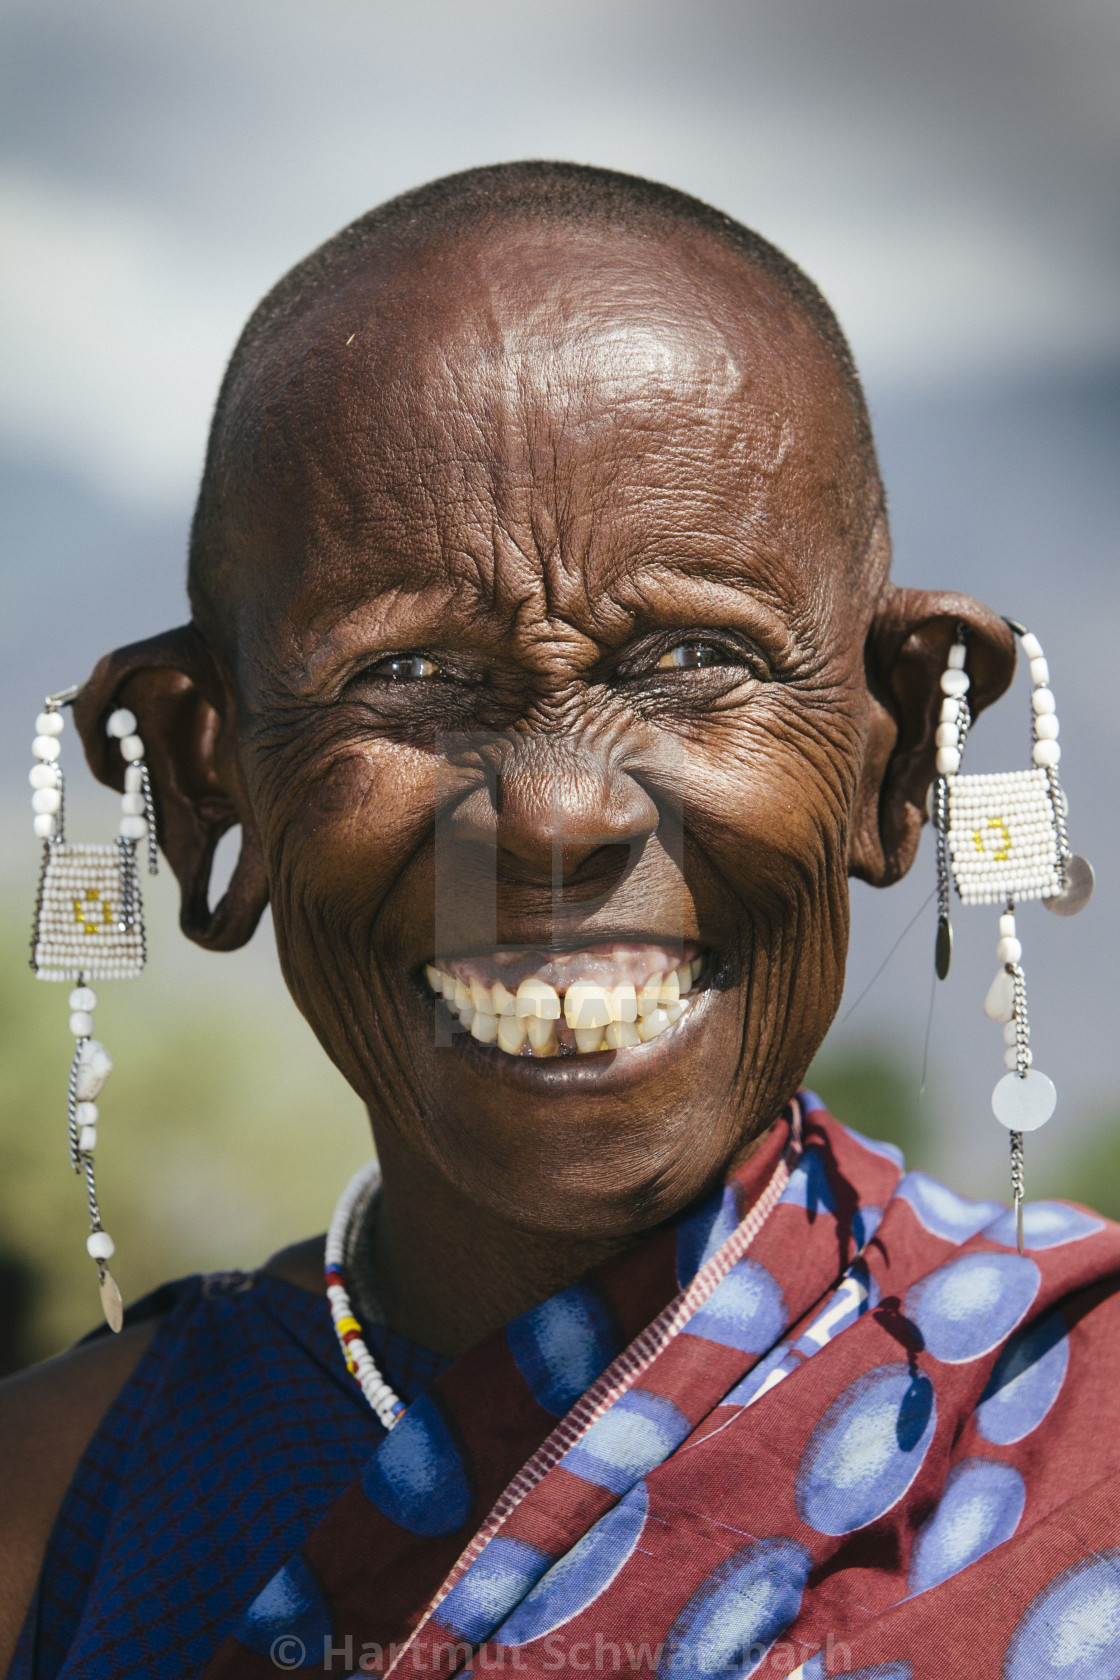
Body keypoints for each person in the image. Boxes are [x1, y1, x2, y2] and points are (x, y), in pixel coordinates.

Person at [1, 161, 1117, 1680]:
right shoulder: (61, 1507)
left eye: (695, 656)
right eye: (409, 677)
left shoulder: (1086, 1429)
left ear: (899, 747)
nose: (554, 816)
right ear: (207, 782)